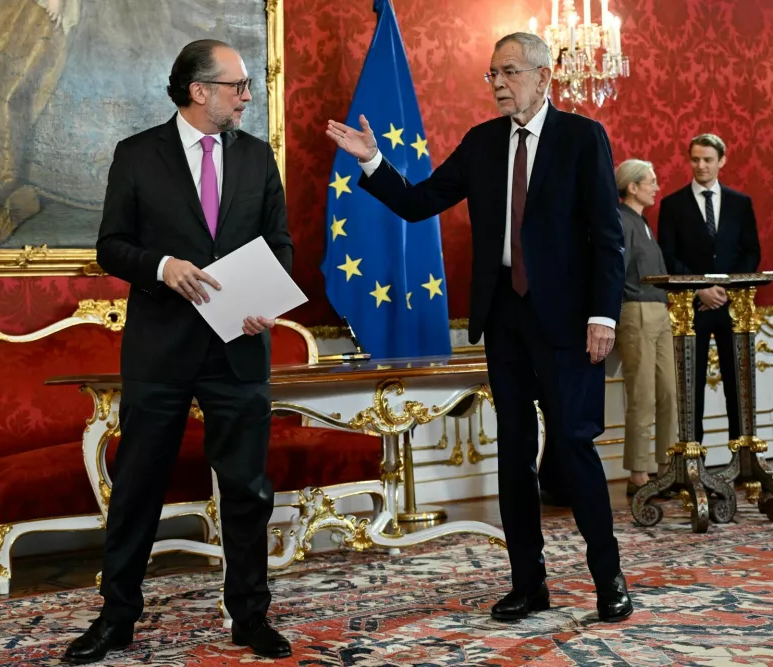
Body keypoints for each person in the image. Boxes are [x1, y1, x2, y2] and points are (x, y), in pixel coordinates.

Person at [326, 32, 633, 623]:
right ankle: (528, 584)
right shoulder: (482, 143)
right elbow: (418, 203)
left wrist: (603, 315)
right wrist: (371, 159)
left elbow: (606, 235)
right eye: (492, 73)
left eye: (509, 72)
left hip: (570, 324)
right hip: (505, 320)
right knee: (513, 455)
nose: (497, 83)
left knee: (574, 448)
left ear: (543, 77)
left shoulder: (581, 138)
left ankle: (607, 577)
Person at [64, 39, 293, 664]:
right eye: (238, 85)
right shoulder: (138, 155)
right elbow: (111, 246)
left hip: (240, 346)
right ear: (200, 90)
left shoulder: (257, 157)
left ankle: (250, 616)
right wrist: (162, 266)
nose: (248, 96)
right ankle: (116, 620)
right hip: (160, 351)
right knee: (137, 485)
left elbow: (279, 243)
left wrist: (268, 300)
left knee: (247, 489)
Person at [657, 134, 761, 445]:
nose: (701, 166)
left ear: (721, 161)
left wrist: (724, 287)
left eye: (707, 160)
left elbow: (751, 252)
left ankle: (742, 457)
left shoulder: (740, 203)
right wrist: (701, 288)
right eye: (695, 159)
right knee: (691, 386)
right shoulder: (672, 204)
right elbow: (667, 254)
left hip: (733, 308)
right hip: (691, 309)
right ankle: (694, 459)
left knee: (738, 383)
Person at [614, 160, 676, 494]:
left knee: (668, 392)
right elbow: (615, 272)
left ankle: (667, 466)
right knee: (642, 394)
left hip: (659, 310)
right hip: (635, 311)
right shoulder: (621, 220)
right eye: (650, 181)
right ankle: (638, 474)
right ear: (632, 187)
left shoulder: (644, 222)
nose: (656, 186)